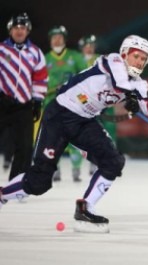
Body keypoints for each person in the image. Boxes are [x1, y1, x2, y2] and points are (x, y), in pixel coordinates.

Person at [0, 35, 148, 233]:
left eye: (143, 59)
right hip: (60, 116)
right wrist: (131, 97)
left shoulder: (137, 83)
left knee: (113, 162)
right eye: (136, 56)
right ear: (124, 54)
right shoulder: (112, 60)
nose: (139, 62)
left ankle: (85, 208)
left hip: (85, 121)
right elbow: (120, 82)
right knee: (39, 182)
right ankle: (2, 195)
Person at [0, 12, 48, 181]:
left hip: (24, 105)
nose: (19, 31)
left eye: (23, 28)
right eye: (16, 28)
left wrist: (37, 101)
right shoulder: (1, 50)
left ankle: (17, 183)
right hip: (2, 102)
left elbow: (40, 78)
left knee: (26, 147)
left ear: (28, 30)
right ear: (10, 30)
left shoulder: (35, 52)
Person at [45, 25, 88, 182]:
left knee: (75, 137)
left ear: (64, 39)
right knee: (53, 138)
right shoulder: (45, 59)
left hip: (73, 104)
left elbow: (85, 76)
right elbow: (38, 82)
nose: (57, 39)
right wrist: (51, 89)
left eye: (60, 37)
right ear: (50, 40)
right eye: (54, 37)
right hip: (51, 104)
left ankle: (76, 169)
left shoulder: (75, 56)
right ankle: (54, 168)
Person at [78, 34, 117, 175]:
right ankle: (92, 162)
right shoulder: (76, 61)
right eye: (86, 46)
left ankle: (109, 160)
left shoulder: (102, 59)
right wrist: (83, 103)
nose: (89, 48)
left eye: (91, 46)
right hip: (87, 104)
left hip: (104, 101)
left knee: (108, 131)